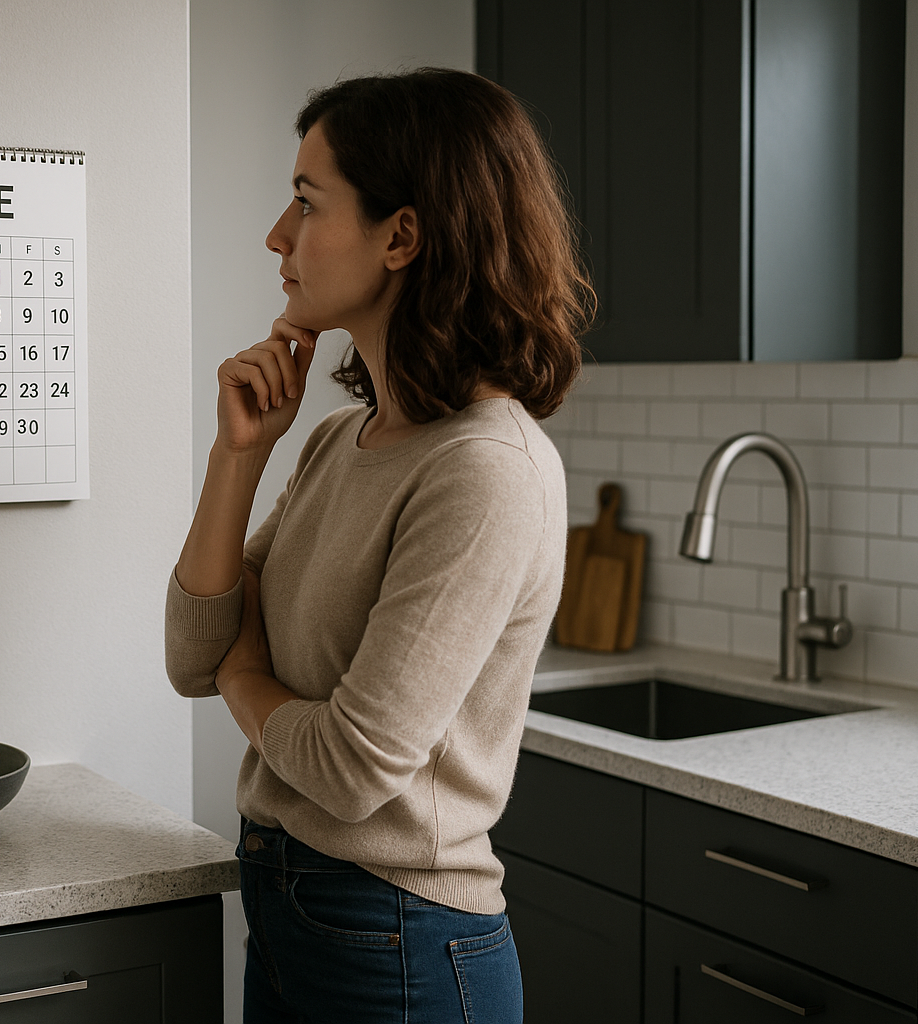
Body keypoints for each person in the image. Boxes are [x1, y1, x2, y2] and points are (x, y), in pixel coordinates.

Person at [165, 68, 592, 1023]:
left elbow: (352, 770)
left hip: (400, 941)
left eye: (307, 202)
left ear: (401, 236)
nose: (277, 235)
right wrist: (238, 457)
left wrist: (246, 674)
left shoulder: (485, 470)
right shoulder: (335, 442)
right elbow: (192, 654)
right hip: (291, 906)